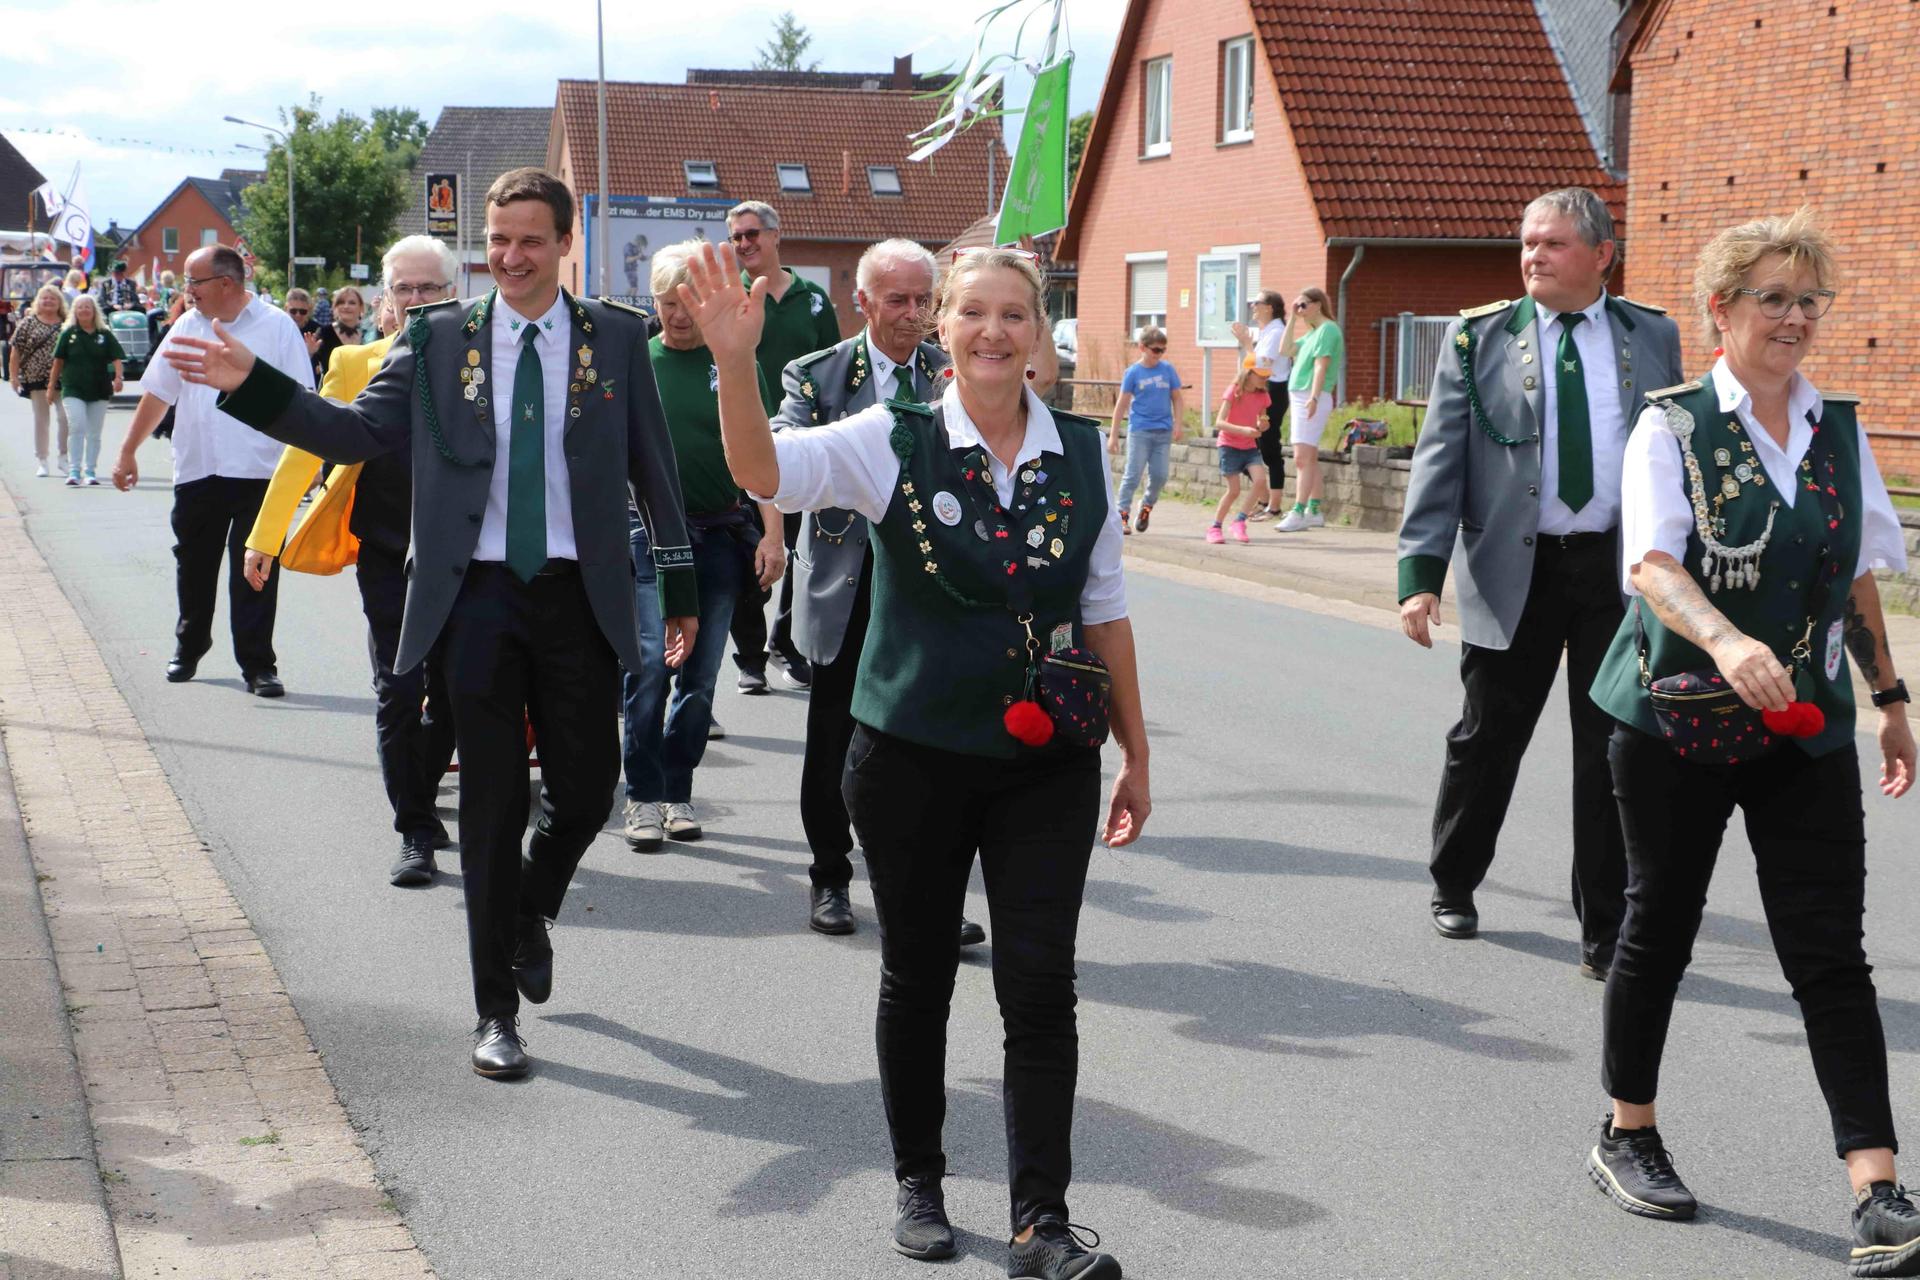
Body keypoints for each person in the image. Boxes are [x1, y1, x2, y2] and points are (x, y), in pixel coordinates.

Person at [156, 168, 698, 1082]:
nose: (513, 257)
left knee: (589, 789)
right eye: (500, 240)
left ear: (565, 243)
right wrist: (251, 386)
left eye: (532, 239)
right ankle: (494, 1012)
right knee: (490, 808)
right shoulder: (443, 338)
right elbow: (352, 435)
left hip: (579, 598)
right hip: (473, 600)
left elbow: (654, 464)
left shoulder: (616, 337)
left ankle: (530, 908)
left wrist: (678, 582)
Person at [688, 240, 1146, 1280]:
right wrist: (732, 363)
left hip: (1048, 763)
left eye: (1015, 316)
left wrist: (1138, 752)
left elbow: (1107, 606)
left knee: (1040, 986)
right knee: (921, 972)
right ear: (940, 327)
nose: (994, 332)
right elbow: (765, 472)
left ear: (1038, 335)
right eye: (973, 313)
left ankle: (1044, 1221)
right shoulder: (884, 440)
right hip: (910, 755)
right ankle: (920, 1181)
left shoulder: (1081, 449)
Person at [1582, 211, 1918, 1274]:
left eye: (1809, 300)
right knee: (1660, 924)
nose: (1794, 318)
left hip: (1805, 722)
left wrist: (1892, 694)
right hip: (1675, 714)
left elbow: (1853, 568)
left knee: (1829, 949)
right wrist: (1726, 640)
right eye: (1772, 297)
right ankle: (1626, 1129)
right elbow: (1651, 565)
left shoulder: (1838, 428)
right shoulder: (1669, 426)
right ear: (1719, 309)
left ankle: (1877, 1185)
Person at [1396, 186, 1684, 976]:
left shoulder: (1651, 335)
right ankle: (1454, 881)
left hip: (1616, 571)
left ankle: (1605, 929)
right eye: (1528, 243)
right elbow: (1440, 460)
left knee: (1612, 752)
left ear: (1601, 256)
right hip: (1512, 566)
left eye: (1553, 244)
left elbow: (1676, 459)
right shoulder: (1478, 337)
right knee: (1488, 738)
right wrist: (1420, 574)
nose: (1534, 257)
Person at [769, 237, 984, 949]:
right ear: (861, 302)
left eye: (926, 300)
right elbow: (781, 452)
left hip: (931, 594)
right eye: (899, 300)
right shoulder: (818, 375)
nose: (914, 314)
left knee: (932, 749)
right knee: (832, 738)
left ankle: (930, 894)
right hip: (845, 585)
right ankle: (830, 874)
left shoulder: (950, 374)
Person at [241, 236, 461, 888]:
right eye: (406, 289)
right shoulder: (354, 361)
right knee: (398, 688)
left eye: (431, 289)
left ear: (452, 293)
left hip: (465, 559)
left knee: (452, 694)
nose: (417, 300)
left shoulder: (481, 363)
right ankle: (416, 832)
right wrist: (266, 534)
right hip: (385, 553)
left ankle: (419, 791)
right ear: (385, 300)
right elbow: (307, 446)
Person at [619, 243, 782, 851]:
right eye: (667, 304)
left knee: (699, 675)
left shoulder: (733, 362)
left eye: (688, 303)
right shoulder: (636, 359)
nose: (678, 317)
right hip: (647, 535)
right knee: (649, 667)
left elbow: (765, 458)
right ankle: (640, 796)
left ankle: (676, 790)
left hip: (719, 532)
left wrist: (772, 532)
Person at [110, 245, 314, 697]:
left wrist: (306, 466)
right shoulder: (186, 324)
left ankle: (258, 664)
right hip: (198, 468)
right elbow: (158, 393)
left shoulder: (277, 326)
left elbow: (302, 399)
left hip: (260, 473)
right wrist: (128, 451)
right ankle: (191, 642)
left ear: (226, 283)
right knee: (193, 564)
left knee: (256, 571)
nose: (187, 291)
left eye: (193, 282)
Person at [724, 199, 840, 695]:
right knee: (753, 548)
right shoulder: (732, 298)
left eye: (752, 234)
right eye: (736, 238)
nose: (745, 244)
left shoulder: (814, 299)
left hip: (801, 445)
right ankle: (749, 656)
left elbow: (838, 367)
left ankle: (785, 643)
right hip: (745, 444)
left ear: (775, 237)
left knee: (803, 548)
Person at [1271, 287, 1343, 532]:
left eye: (1303, 306)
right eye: (1297, 306)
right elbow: (1285, 350)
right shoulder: (1313, 332)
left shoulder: (1328, 330)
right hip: (1302, 395)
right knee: (1309, 457)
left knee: (1301, 458)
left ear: (1317, 305)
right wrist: (1291, 318)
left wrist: (1313, 397)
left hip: (1310, 397)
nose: (1299, 310)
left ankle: (1299, 512)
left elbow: (1322, 366)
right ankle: (1314, 510)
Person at [1107, 326, 1184, 533]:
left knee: (1160, 475)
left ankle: (1146, 506)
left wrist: (1178, 424)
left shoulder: (1167, 370)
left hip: (1163, 431)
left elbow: (1177, 397)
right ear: (1142, 347)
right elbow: (1121, 404)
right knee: (1133, 474)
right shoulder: (1133, 372)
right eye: (1155, 350)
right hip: (1140, 430)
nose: (1158, 354)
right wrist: (1113, 435)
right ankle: (1121, 515)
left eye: (1162, 350)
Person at [48, 294, 125, 486]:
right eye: (80, 307)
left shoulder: (104, 334)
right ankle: (74, 470)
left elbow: (116, 358)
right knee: (77, 425)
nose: (84, 310)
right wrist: (51, 386)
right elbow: (58, 361)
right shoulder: (68, 334)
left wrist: (118, 377)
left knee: (94, 432)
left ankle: (90, 470)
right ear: (75, 310)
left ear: (94, 311)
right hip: (73, 387)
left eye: (87, 307)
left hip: (99, 388)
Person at [1232, 290, 1290, 518]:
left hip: (1272, 390)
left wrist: (1247, 344)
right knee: (1249, 445)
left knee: (1268, 445)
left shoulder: (1276, 332)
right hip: (1259, 389)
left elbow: (1261, 366)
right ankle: (1264, 498)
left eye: (1257, 303)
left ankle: (1273, 506)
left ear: (1270, 307)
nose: (1253, 307)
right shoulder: (1268, 331)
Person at [8, 285, 72, 478]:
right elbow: (16, 351)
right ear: (38, 301)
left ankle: (63, 457)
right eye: (44, 298)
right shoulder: (28, 323)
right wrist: (13, 376)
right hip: (35, 378)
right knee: (41, 421)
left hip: (64, 378)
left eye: (53, 298)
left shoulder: (67, 323)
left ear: (60, 302)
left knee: (65, 417)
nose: (48, 301)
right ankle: (42, 460)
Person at [1208, 364, 1269, 544]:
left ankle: (1240, 521)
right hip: (1229, 445)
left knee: (1260, 481)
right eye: (1261, 376)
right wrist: (1243, 430)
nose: (1264, 380)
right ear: (1249, 374)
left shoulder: (1263, 395)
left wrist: (1263, 425)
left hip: (1249, 446)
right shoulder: (1233, 391)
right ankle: (1215, 527)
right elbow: (1219, 422)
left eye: (1266, 377)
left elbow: (1263, 419)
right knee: (1234, 490)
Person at [312, 285, 372, 380]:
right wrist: (310, 353)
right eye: (341, 303)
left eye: (352, 303)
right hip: (330, 391)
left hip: (363, 391)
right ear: (335, 307)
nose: (346, 306)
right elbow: (312, 367)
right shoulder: (324, 332)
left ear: (361, 307)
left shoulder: (369, 333)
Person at [283, 288, 327, 384]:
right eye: (293, 311)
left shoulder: (317, 331)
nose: (298, 315)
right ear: (286, 308)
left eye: (302, 312)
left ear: (309, 311)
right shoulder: (279, 329)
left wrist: (311, 353)